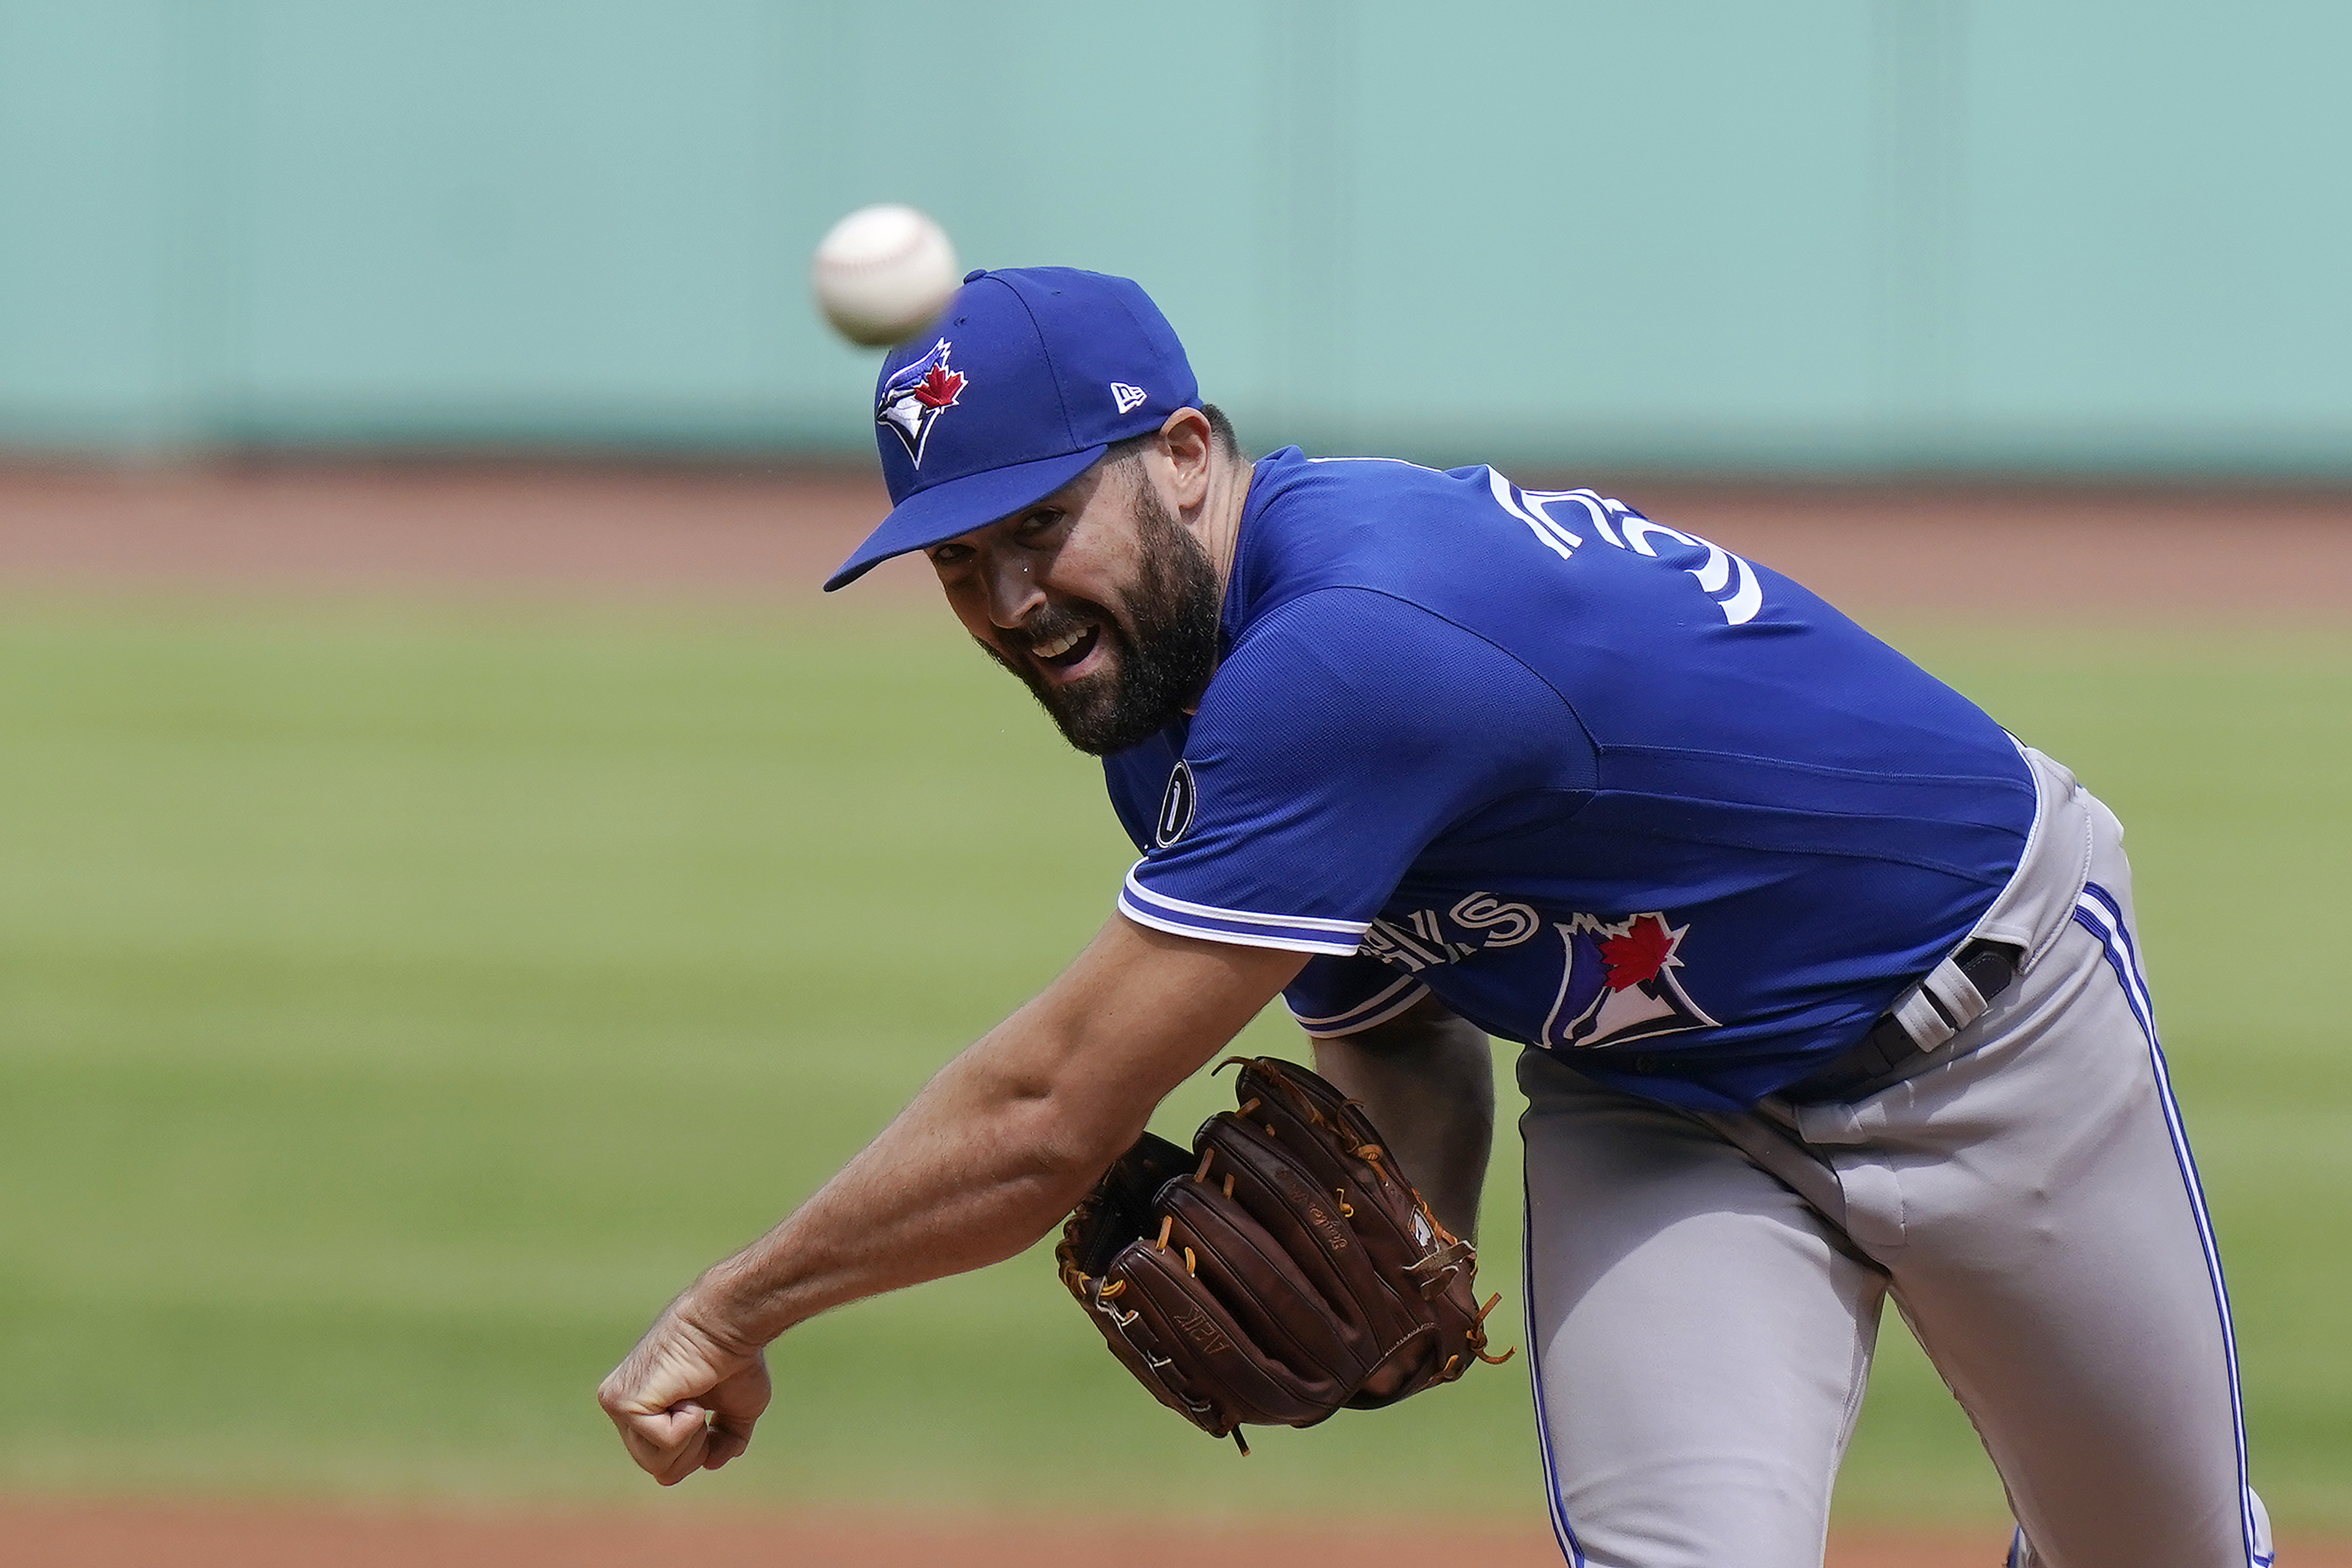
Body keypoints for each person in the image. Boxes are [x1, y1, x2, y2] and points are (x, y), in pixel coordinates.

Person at [597, 268, 2270, 1568]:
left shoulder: (1351, 646)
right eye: (959, 564)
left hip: (1994, 1025)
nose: (1011, 601)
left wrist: (729, 1311)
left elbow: (1047, 1113)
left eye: (1039, 525)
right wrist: (1423, 1229)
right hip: (1661, 1107)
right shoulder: (1177, 711)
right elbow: (1393, 1017)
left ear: (1184, 461)